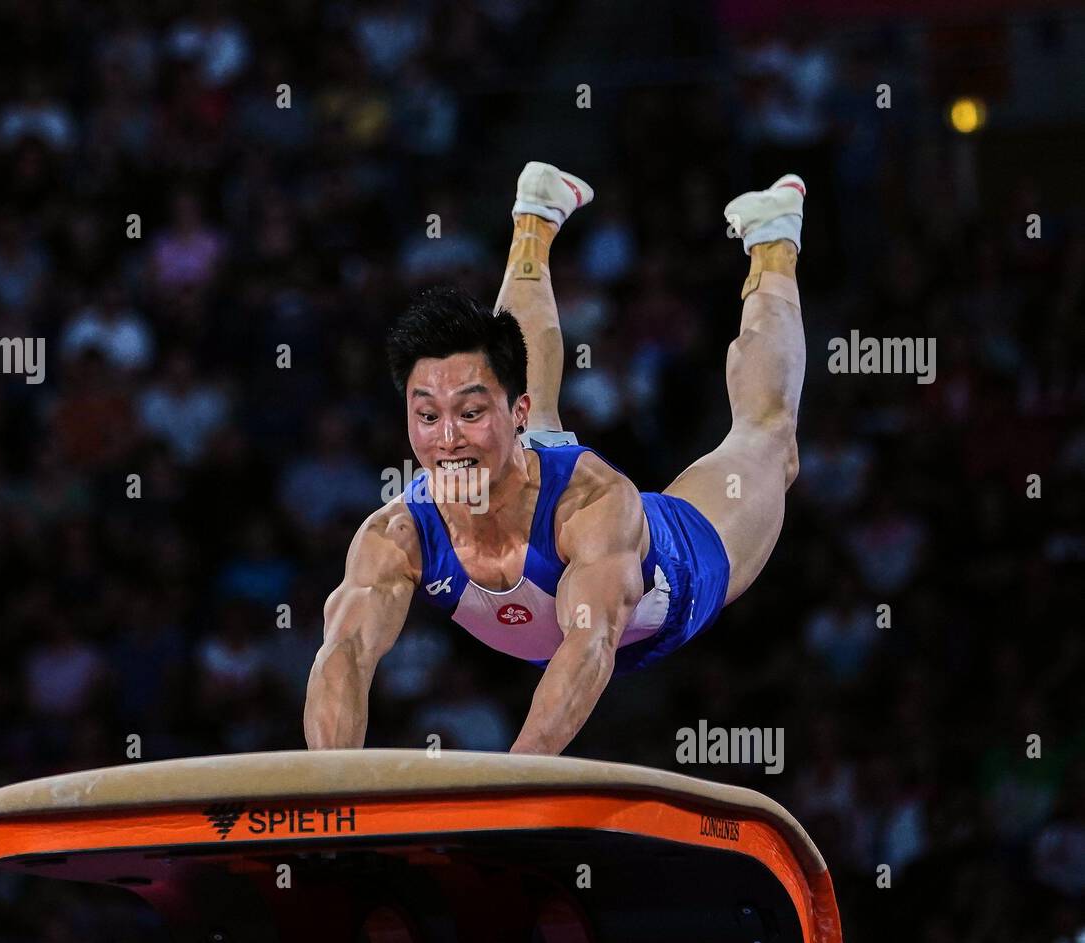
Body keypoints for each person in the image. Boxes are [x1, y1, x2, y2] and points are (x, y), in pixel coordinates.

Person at [304, 162, 807, 755]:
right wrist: (330, 794)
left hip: (680, 562)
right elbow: (344, 653)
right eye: (426, 416)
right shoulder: (396, 536)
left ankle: (773, 244)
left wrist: (517, 783)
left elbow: (590, 647)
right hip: (523, 470)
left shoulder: (592, 501)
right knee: (506, 412)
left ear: (510, 415)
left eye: (469, 414)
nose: (446, 440)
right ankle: (533, 221)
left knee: (769, 440)